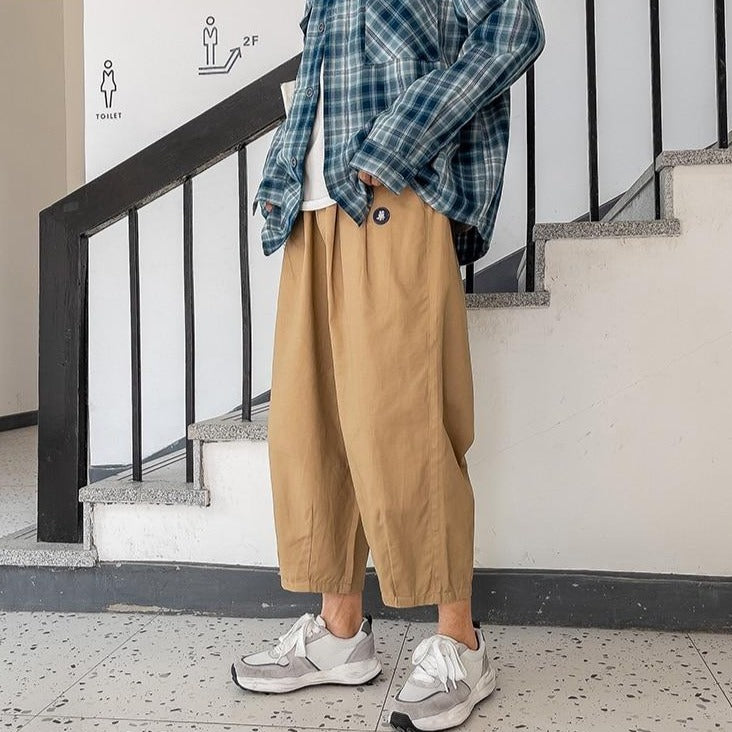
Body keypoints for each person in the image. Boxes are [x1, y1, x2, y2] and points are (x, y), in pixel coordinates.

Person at [232, 1, 545, 729]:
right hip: (313, 208)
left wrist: (400, 138)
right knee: (311, 426)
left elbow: (514, 28)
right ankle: (339, 633)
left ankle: (460, 644)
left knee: (403, 421)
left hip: (392, 198)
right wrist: (284, 172)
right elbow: (322, 77)